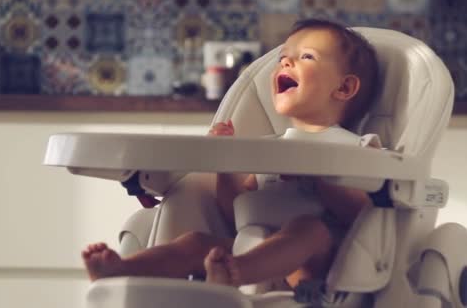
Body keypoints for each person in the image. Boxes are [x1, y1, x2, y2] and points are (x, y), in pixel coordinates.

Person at [82, 18, 380, 289]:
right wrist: (225, 163)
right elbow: (236, 209)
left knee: (306, 229)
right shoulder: (267, 148)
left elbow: (364, 211)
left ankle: (235, 271)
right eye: (282, 58)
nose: (286, 63)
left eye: (306, 57)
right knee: (196, 244)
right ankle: (122, 270)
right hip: (249, 251)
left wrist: (315, 178)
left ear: (344, 87)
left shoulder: (356, 147)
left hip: (315, 264)